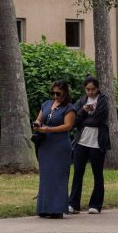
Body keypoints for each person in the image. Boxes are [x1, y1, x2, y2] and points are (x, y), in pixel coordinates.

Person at [33, 80, 75, 218]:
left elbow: (67, 126)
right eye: (54, 93)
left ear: (65, 94)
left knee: (58, 176)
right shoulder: (46, 104)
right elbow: (40, 118)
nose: (56, 96)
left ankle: (57, 209)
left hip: (60, 146)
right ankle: (44, 208)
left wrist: (49, 129)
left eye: (59, 94)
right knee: (46, 176)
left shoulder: (69, 108)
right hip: (46, 145)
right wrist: (38, 124)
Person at [69, 76, 110, 214]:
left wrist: (83, 120)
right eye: (88, 89)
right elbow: (74, 120)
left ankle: (95, 204)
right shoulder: (82, 101)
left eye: (93, 89)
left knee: (97, 173)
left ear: (97, 88)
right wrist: (84, 111)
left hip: (97, 142)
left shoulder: (103, 100)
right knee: (78, 172)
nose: (90, 92)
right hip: (82, 142)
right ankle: (74, 204)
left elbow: (99, 119)